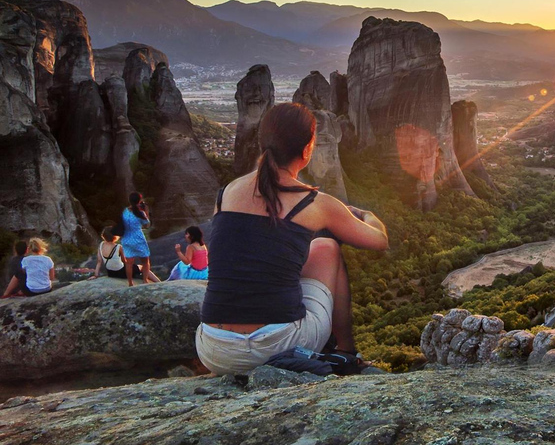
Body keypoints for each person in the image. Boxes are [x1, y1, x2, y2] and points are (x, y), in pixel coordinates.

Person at [196, 103, 388, 376]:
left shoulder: (227, 192)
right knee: (328, 247)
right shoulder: (315, 202)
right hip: (276, 345)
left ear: (263, 142)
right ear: (307, 149)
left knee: (302, 251)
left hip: (214, 349)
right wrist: (368, 215)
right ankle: (346, 352)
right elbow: (379, 241)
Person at [121, 192, 160, 286]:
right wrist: (146, 212)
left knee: (129, 263)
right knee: (145, 261)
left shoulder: (125, 211)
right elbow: (147, 225)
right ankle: (145, 280)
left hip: (126, 238)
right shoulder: (140, 213)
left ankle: (130, 283)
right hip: (138, 239)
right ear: (139, 201)